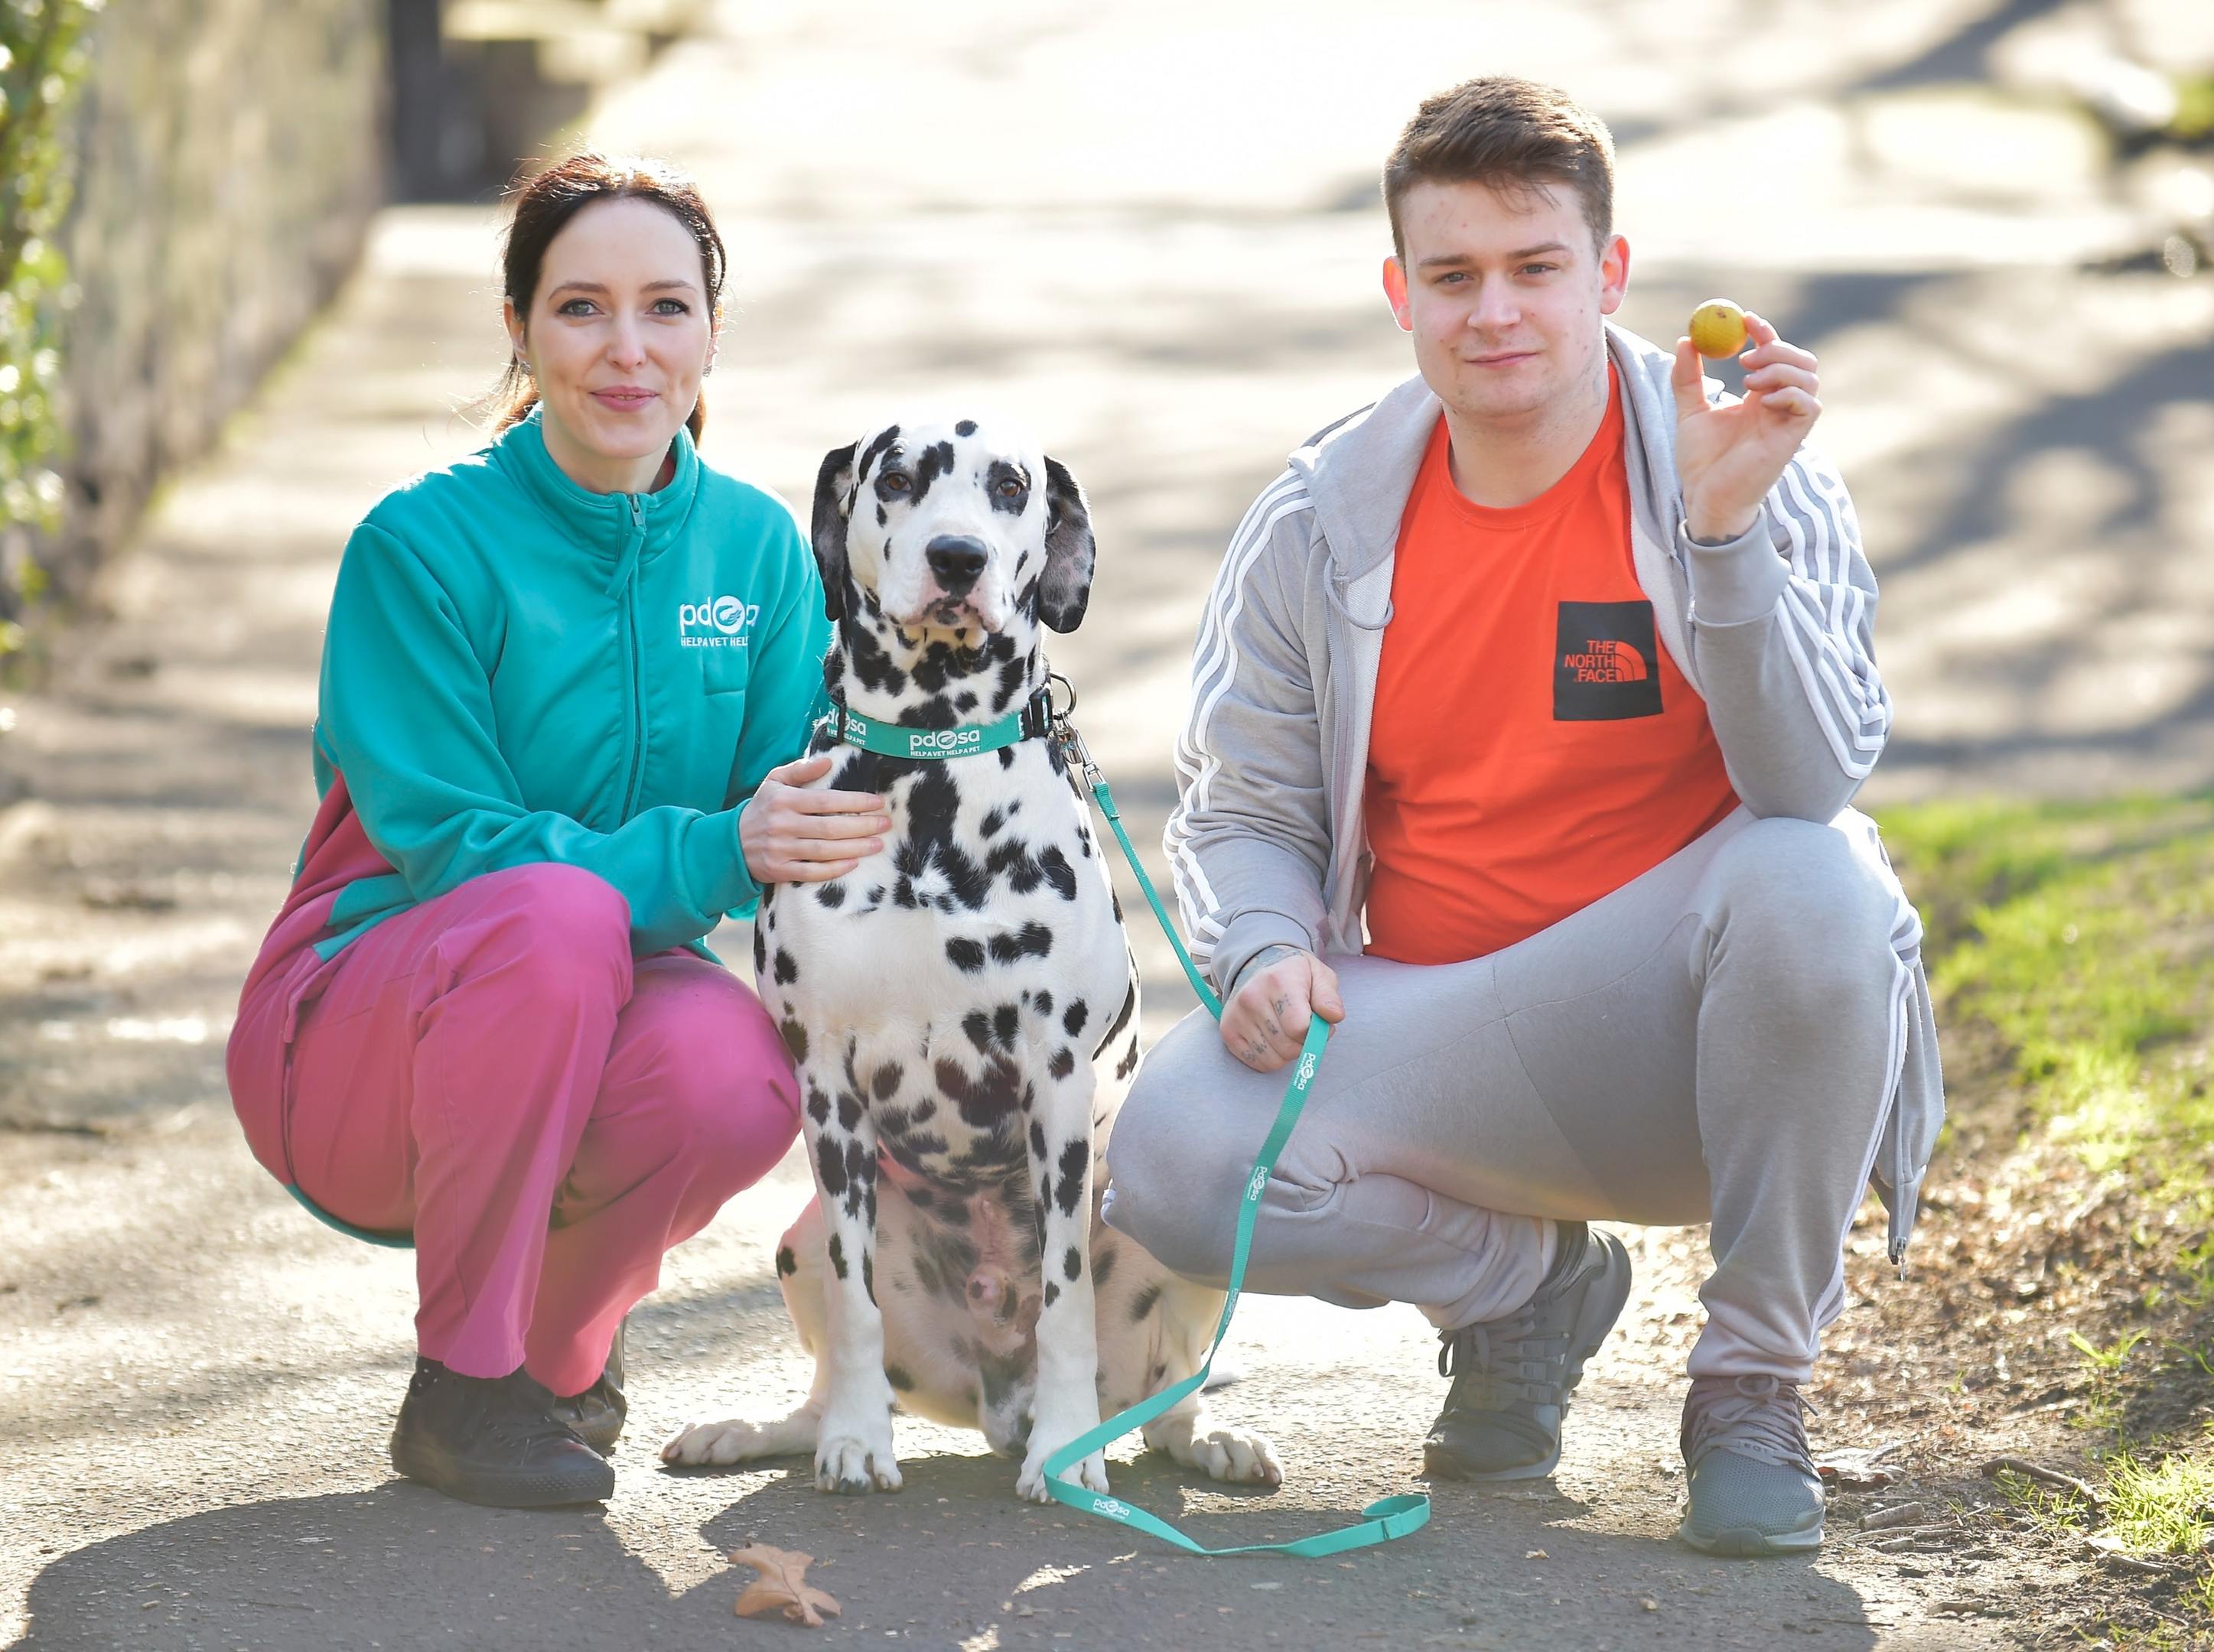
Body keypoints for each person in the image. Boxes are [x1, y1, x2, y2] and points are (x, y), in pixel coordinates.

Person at [1100, 78, 1943, 1556]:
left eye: (1535, 267)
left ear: (1607, 273)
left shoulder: (1736, 454)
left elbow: (1811, 783)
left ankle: (1750, 1387)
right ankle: (1524, 1293)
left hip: (1695, 1045)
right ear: (1398, 294)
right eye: (1453, 275)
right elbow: (1245, 804)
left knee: (1819, 879)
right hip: (1434, 1044)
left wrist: (1725, 536)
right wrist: (1267, 946)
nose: (1494, 310)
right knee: (1170, 1159)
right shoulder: (1321, 519)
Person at [225, 153, 887, 1509]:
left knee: (731, 1067)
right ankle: (463, 1379)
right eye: (581, 308)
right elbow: (459, 845)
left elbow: (797, 825)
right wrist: (712, 852)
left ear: (711, 333)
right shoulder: (421, 545)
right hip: (359, 1039)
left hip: (603, 1018)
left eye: (666, 308)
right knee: (555, 911)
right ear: (519, 330)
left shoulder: (760, 554)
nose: (628, 351)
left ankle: (546, 1366)